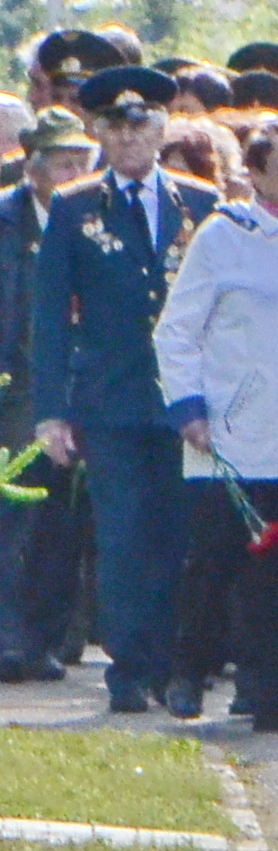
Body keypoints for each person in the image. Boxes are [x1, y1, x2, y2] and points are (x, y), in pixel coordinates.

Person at [29, 63, 219, 713]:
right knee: (121, 538)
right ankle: (130, 668)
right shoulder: (75, 206)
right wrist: (51, 412)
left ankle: (172, 664)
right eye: (116, 125)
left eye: (141, 124)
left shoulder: (201, 203)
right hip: (110, 400)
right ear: (99, 134)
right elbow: (50, 315)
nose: (130, 137)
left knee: (178, 537)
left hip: (185, 402)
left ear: (162, 129)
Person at [155, 112, 278, 732]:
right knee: (214, 562)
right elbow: (177, 330)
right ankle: (187, 670)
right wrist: (189, 407)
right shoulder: (224, 235)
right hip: (229, 430)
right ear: (255, 175)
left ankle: (274, 693)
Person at [0, 107, 95, 680]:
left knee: (65, 521)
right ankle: (11, 639)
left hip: (83, 386)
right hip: (17, 389)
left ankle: (49, 637)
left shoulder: (93, 215)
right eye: (63, 163)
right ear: (32, 168)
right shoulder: (8, 221)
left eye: (82, 161)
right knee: (18, 513)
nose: (75, 174)